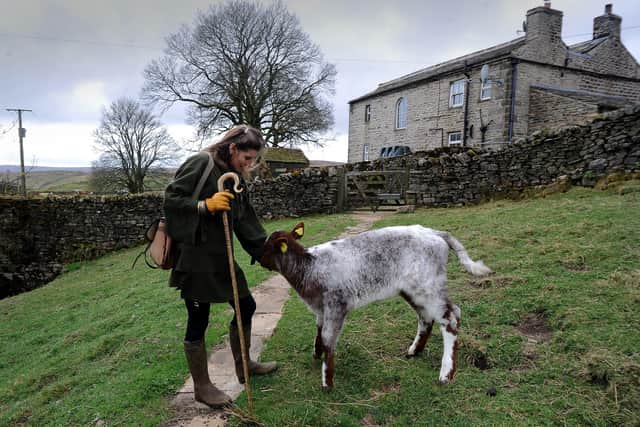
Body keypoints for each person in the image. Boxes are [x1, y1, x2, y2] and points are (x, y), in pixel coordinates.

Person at [163, 125, 277, 408]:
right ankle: (202, 387)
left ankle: (244, 365)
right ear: (232, 148)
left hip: (222, 258)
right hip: (195, 260)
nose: (249, 164)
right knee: (198, 319)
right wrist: (205, 206)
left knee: (245, 306)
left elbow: (245, 221)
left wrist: (267, 253)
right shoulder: (202, 163)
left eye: (253, 160)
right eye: (246, 158)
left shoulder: (236, 179)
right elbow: (171, 200)